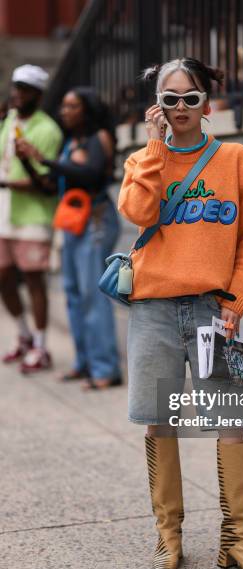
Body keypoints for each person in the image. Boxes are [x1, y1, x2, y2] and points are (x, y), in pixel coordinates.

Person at [118, 57, 243, 569]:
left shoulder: (237, 160)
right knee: (161, 422)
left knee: (232, 421)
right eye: (171, 99)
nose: (182, 107)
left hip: (216, 309)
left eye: (191, 97)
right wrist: (153, 148)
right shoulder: (144, 160)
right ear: (157, 106)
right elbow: (139, 214)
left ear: (208, 105)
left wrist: (236, 301)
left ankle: (239, 541)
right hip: (155, 309)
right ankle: (169, 539)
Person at [15, 87, 122, 390]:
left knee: (92, 294)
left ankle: (106, 369)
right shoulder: (70, 142)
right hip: (73, 220)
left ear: (87, 109)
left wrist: (44, 160)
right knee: (73, 293)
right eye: (63, 106)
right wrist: (28, 162)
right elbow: (50, 186)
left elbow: (89, 174)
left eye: (72, 106)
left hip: (96, 219)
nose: (64, 111)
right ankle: (84, 363)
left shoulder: (99, 138)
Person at [0, 65, 63, 373]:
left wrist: (7, 182)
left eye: (24, 90)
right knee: (3, 278)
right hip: (4, 213)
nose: (17, 94)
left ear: (37, 95)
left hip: (34, 215)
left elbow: (45, 178)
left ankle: (40, 346)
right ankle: (23, 334)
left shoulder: (48, 129)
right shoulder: (9, 120)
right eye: (16, 88)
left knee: (35, 280)